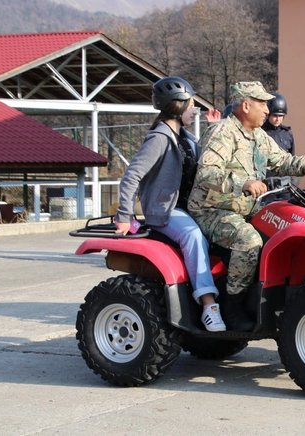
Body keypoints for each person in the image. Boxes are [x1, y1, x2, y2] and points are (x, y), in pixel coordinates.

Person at [187, 81, 305, 331]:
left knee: (286, 225)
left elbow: (282, 160)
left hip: (246, 207)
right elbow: (207, 174)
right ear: (246, 106)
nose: (267, 109)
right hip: (213, 209)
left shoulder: (258, 135)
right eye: (262, 104)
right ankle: (233, 306)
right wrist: (243, 183)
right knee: (249, 240)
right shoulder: (223, 132)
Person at [115, 76, 225, 332]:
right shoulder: (160, 138)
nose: (194, 110)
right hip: (167, 210)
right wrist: (123, 215)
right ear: (177, 106)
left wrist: (213, 129)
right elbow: (132, 175)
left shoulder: (185, 137)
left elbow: (206, 162)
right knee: (192, 236)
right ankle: (209, 305)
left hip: (190, 207)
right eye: (191, 105)